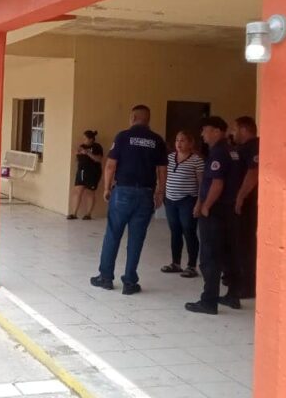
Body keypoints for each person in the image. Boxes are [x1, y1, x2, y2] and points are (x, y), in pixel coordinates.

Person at [90, 105, 167, 295]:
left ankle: (106, 278)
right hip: (145, 194)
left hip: (123, 192)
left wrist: (107, 188)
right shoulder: (157, 140)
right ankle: (130, 282)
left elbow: (110, 166)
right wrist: (159, 192)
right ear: (147, 119)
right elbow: (162, 170)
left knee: (113, 234)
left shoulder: (123, 137)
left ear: (133, 118)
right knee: (137, 239)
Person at [186, 116, 242, 315]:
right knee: (229, 253)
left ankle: (208, 301)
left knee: (210, 256)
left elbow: (216, 184)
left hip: (216, 211)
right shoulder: (232, 151)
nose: (202, 134)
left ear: (217, 131)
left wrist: (205, 205)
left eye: (205, 130)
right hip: (230, 209)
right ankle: (233, 295)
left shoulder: (218, 153)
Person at [160, 130, 204, 277]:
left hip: (188, 200)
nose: (179, 143)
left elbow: (202, 183)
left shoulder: (196, 160)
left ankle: (191, 265)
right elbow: (164, 177)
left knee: (189, 231)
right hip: (170, 200)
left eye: (183, 140)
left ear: (190, 143)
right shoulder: (170, 158)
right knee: (175, 231)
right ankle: (175, 263)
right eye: (177, 140)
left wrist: (199, 203)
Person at [233, 116, 260, 299]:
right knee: (239, 243)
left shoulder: (254, 147)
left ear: (244, 129)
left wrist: (241, 197)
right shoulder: (242, 148)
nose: (231, 133)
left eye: (234, 129)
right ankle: (240, 280)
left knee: (246, 244)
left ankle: (248, 286)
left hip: (249, 203)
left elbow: (253, 173)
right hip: (243, 202)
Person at [69, 130, 104, 220]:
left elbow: (98, 159)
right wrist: (77, 153)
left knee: (90, 192)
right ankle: (74, 213)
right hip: (81, 171)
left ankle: (88, 214)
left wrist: (87, 153)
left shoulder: (97, 146)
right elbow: (77, 157)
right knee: (77, 191)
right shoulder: (82, 146)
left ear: (91, 139)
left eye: (85, 138)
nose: (83, 140)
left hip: (93, 172)